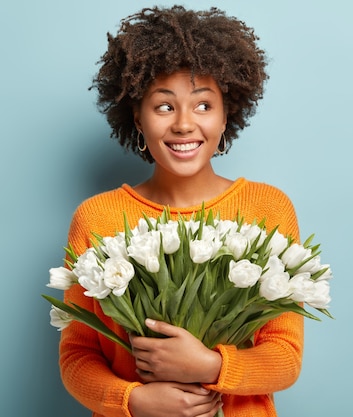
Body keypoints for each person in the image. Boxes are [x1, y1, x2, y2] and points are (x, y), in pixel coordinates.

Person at [59, 5, 304, 417]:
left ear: (228, 115)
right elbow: (77, 355)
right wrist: (133, 400)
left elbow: (285, 354)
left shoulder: (268, 209)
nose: (185, 125)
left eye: (204, 105)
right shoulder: (97, 218)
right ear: (137, 117)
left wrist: (212, 366)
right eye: (164, 106)